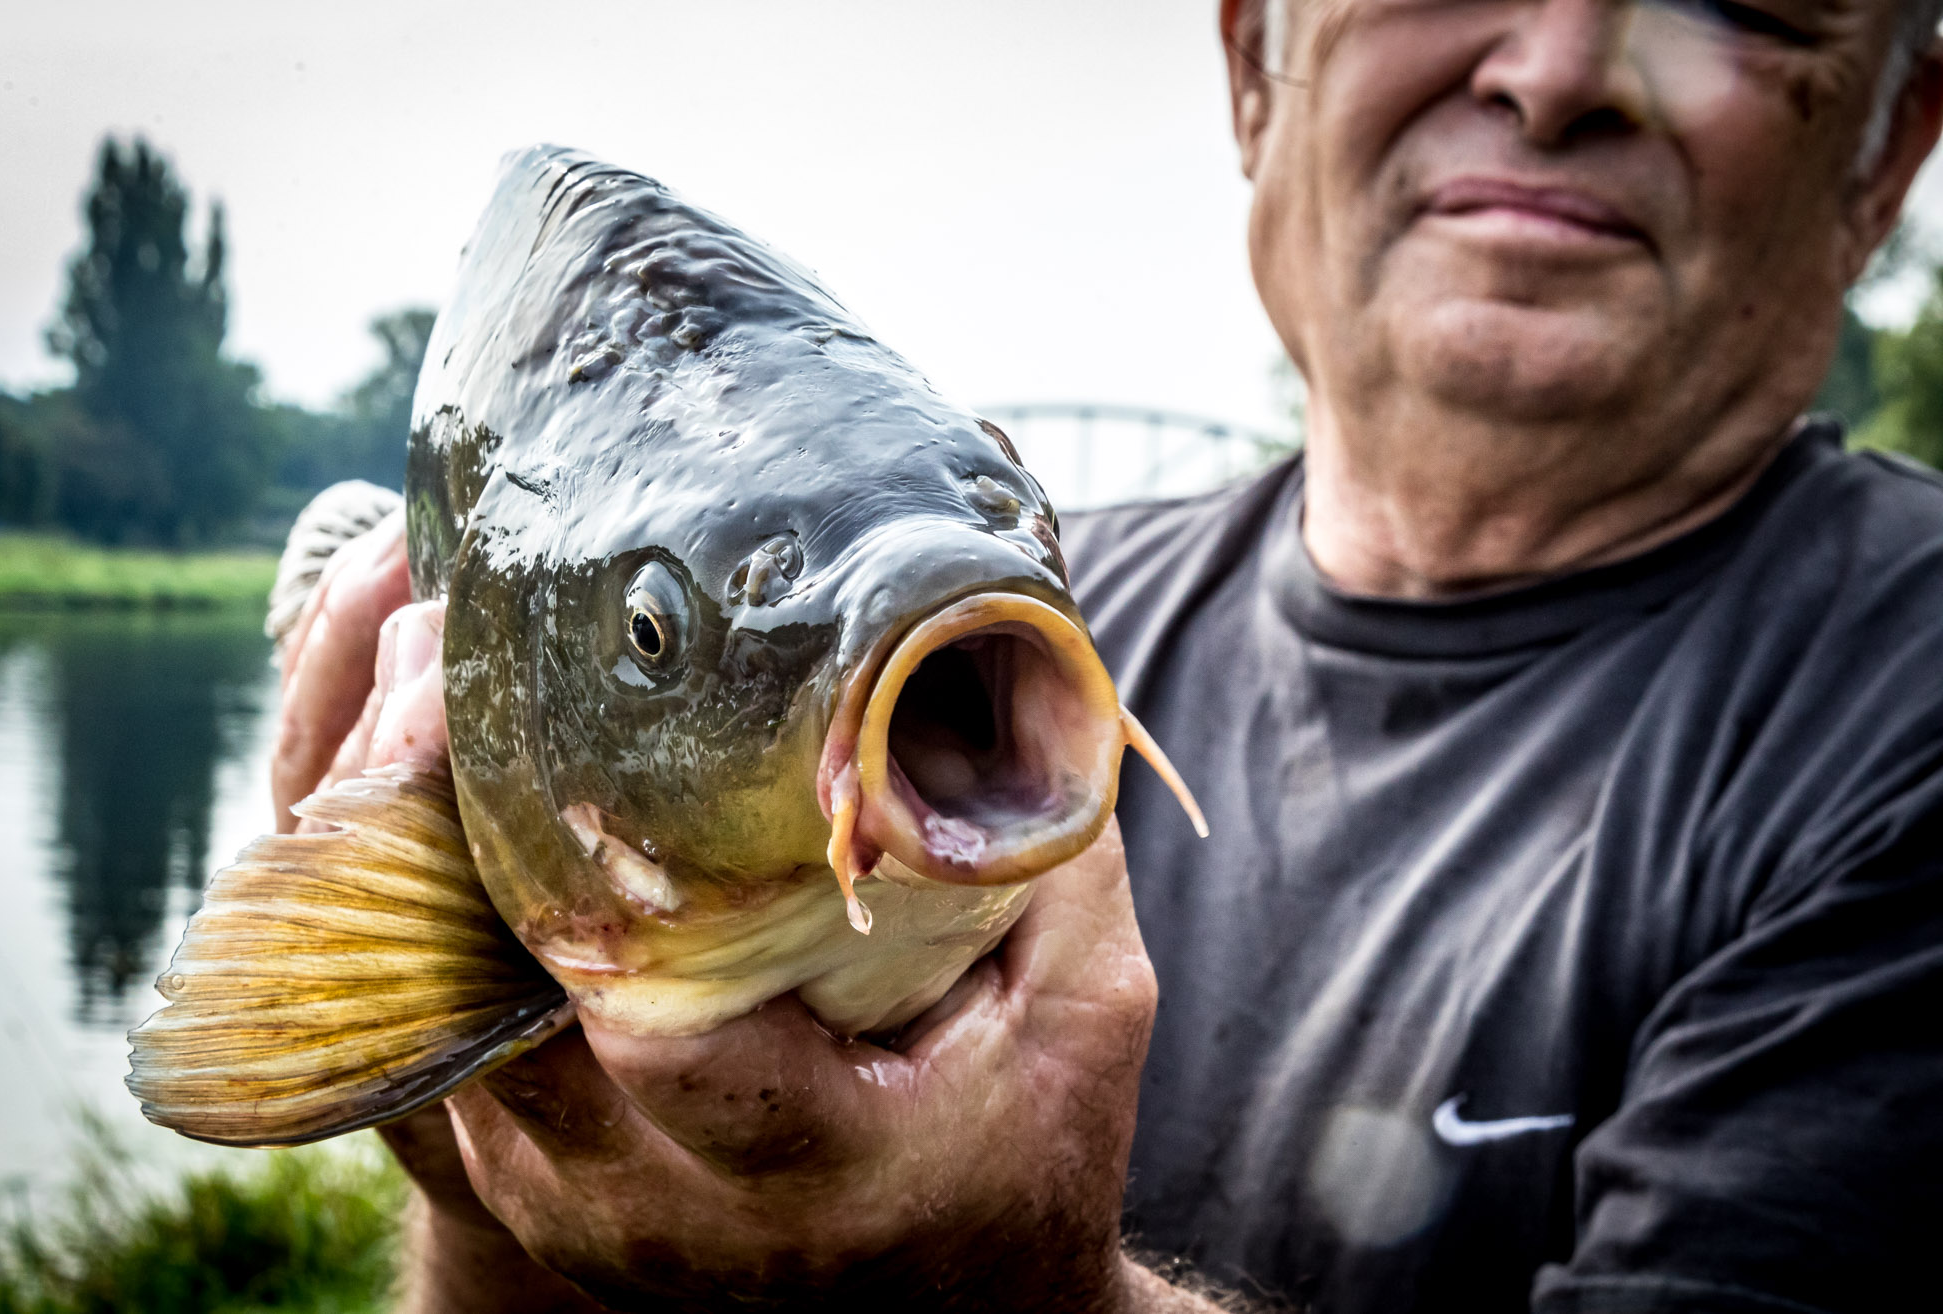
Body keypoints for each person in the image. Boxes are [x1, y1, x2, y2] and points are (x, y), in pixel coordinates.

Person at [268, 2, 1943, 1310]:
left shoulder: (1898, 709)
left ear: (1891, 154)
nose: (1563, 66)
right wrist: (491, 1162)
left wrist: (1013, 1295)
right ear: (1252, 64)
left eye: (1743, 0)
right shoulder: (1049, 636)